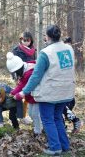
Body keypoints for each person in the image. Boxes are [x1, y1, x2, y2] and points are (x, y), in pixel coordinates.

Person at [16, 25, 75, 156]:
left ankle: (55, 148)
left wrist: (23, 92)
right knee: (57, 118)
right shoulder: (69, 49)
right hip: (66, 91)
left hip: (50, 93)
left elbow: (35, 76)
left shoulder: (45, 53)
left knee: (48, 119)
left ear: (47, 37)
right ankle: (64, 146)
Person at [6, 52, 42, 136]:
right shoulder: (26, 68)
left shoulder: (28, 74)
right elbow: (21, 84)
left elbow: (23, 86)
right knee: (31, 114)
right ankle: (38, 127)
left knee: (36, 114)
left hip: (37, 96)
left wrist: (16, 95)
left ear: (18, 69)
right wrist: (13, 92)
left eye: (15, 73)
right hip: (32, 97)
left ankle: (38, 131)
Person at [12, 31, 36, 124]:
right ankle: (21, 116)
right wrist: (15, 76)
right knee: (21, 94)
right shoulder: (16, 50)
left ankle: (26, 115)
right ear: (20, 40)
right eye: (23, 40)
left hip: (31, 74)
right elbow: (13, 65)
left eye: (28, 40)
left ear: (31, 40)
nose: (26, 42)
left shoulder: (33, 50)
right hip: (20, 75)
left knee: (30, 95)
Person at [63, 37, 82, 133]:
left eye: (69, 45)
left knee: (63, 108)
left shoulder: (68, 55)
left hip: (67, 85)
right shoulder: (63, 53)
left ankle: (75, 121)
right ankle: (64, 126)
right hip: (64, 85)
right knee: (62, 108)